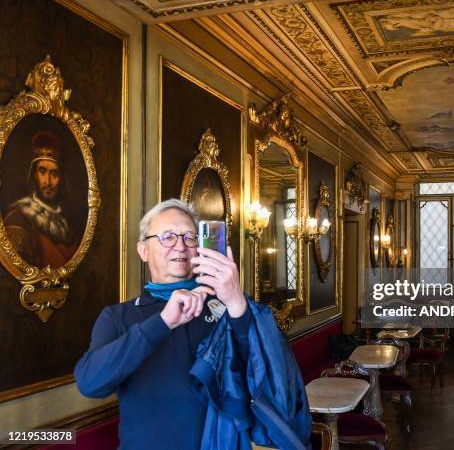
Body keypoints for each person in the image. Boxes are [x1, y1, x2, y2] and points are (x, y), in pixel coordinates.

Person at [74, 199, 311, 450]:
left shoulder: (228, 304)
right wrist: (163, 322)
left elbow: (271, 373)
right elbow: (91, 383)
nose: (180, 246)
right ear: (143, 250)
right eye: (167, 237)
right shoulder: (117, 317)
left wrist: (236, 302)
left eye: (189, 237)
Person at [4, 131, 77, 268]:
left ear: (61, 180)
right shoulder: (18, 217)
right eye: (42, 171)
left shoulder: (65, 225)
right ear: (34, 175)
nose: (48, 181)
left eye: (54, 174)